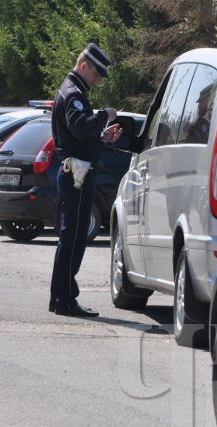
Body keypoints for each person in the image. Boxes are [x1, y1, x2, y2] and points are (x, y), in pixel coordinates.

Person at [49, 42, 122, 317]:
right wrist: (104, 115)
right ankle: (64, 299)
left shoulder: (72, 91)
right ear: (84, 66)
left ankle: (61, 295)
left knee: (74, 236)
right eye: (96, 74)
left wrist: (101, 137)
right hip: (76, 174)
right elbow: (79, 127)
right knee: (74, 237)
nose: (98, 79)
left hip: (76, 171)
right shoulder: (73, 93)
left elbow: (78, 134)